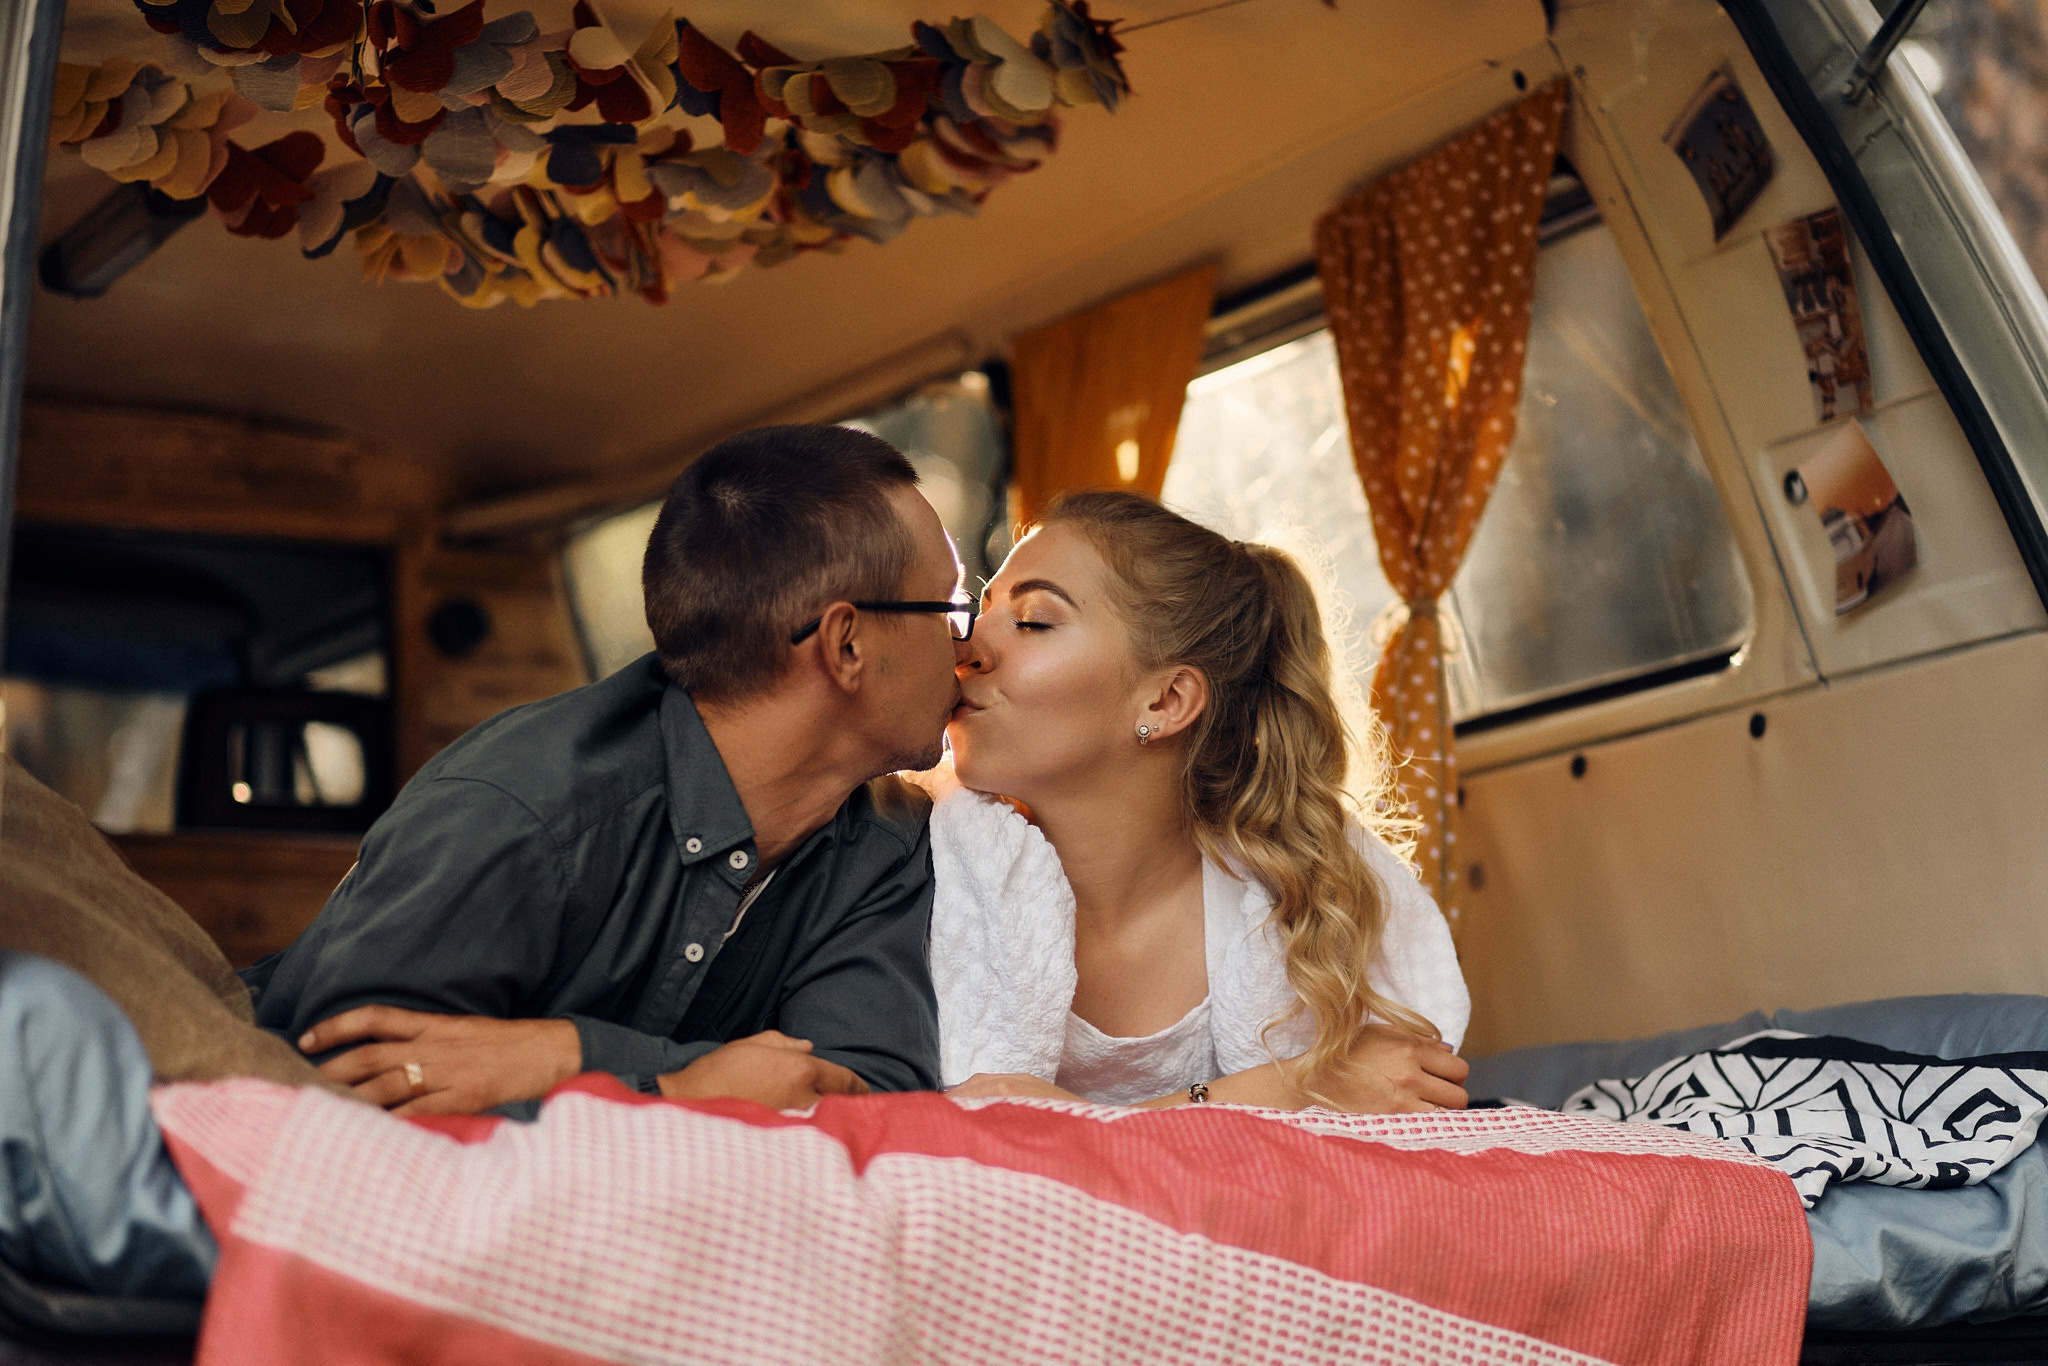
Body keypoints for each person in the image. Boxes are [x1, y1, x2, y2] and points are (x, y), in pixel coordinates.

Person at [243, 425, 972, 1115]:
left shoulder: (888, 838)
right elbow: (335, 1082)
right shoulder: (521, 811)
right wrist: (677, 1086)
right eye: (949, 608)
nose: (967, 648)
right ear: (845, 644)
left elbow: (872, 1100)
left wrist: (572, 1060)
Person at [932, 490, 1471, 1111]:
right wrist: (1278, 1088)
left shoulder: (1301, 876)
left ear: (1164, 703)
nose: (966, 649)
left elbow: (1410, 1089)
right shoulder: (927, 867)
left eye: (1032, 621)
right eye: (981, 609)